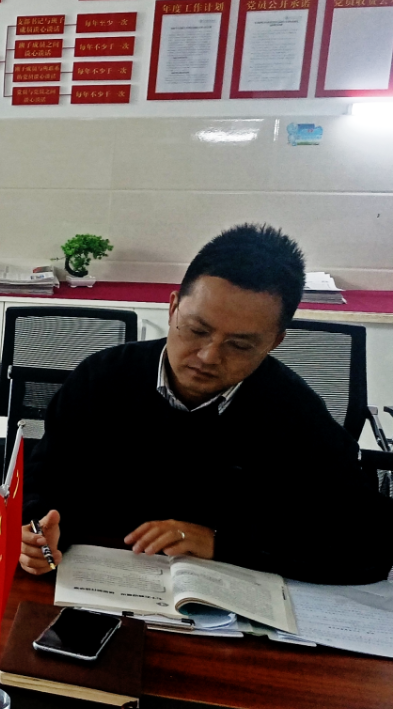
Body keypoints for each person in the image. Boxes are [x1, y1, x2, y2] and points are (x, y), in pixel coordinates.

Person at [20, 224, 393, 585]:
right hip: (101, 582)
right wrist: (39, 532)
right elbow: (44, 483)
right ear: (172, 308)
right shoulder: (103, 378)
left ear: (274, 342)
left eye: (240, 345)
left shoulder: (296, 413)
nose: (208, 356)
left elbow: (368, 543)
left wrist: (222, 542)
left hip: (226, 602)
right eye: (197, 330)